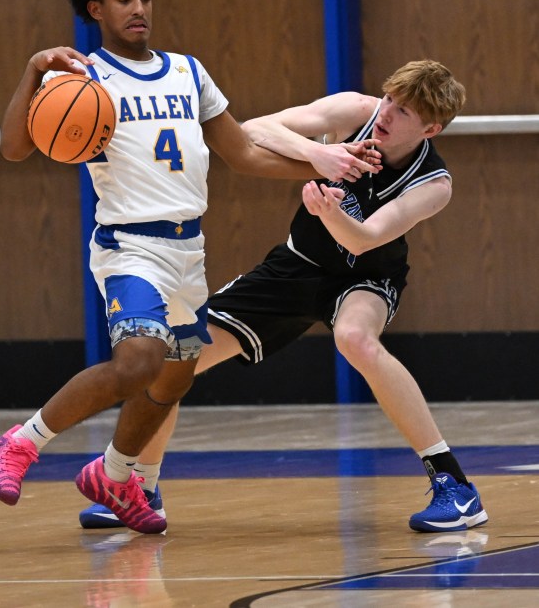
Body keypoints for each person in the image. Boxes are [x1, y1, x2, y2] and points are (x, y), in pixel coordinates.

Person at [0, 0, 380, 534]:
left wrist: (324, 163)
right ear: (96, 8)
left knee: (175, 374)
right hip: (130, 245)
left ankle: (114, 477)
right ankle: (21, 441)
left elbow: (243, 152)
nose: (138, 7)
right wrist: (35, 69)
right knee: (139, 360)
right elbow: (13, 148)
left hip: (187, 248)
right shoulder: (81, 81)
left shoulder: (189, 74)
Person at [80, 59, 489, 534]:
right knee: (178, 356)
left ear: (431, 129)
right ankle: (139, 489)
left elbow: (364, 238)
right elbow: (255, 129)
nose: (387, 113)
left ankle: (455, 488)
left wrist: (328, 210)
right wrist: (321, 157)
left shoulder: (434, 184)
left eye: (403, 113)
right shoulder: (356, 110)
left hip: (366, 274)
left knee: (356, 338)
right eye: (390, 99)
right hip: (297, 265)